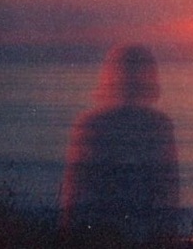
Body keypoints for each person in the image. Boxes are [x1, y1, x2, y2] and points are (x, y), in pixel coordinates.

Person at [61, 45, 179, 244]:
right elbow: (168, 192)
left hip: (97, 231)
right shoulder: (159, 124)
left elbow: (73, 194)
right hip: (141, 232)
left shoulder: (90, 123)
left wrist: (67, 235)